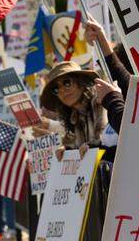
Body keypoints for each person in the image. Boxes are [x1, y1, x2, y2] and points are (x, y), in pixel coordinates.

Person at [40, 61, 110, 239]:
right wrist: (66, 150)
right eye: (56, 89)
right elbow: (78, 145)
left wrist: (87, 147)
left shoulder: (98, 101)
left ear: (80, 81)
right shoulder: (74, 116)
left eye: (67, 82)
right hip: (96, 189)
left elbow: (101, 141)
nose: (63, 91)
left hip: (113, 183)